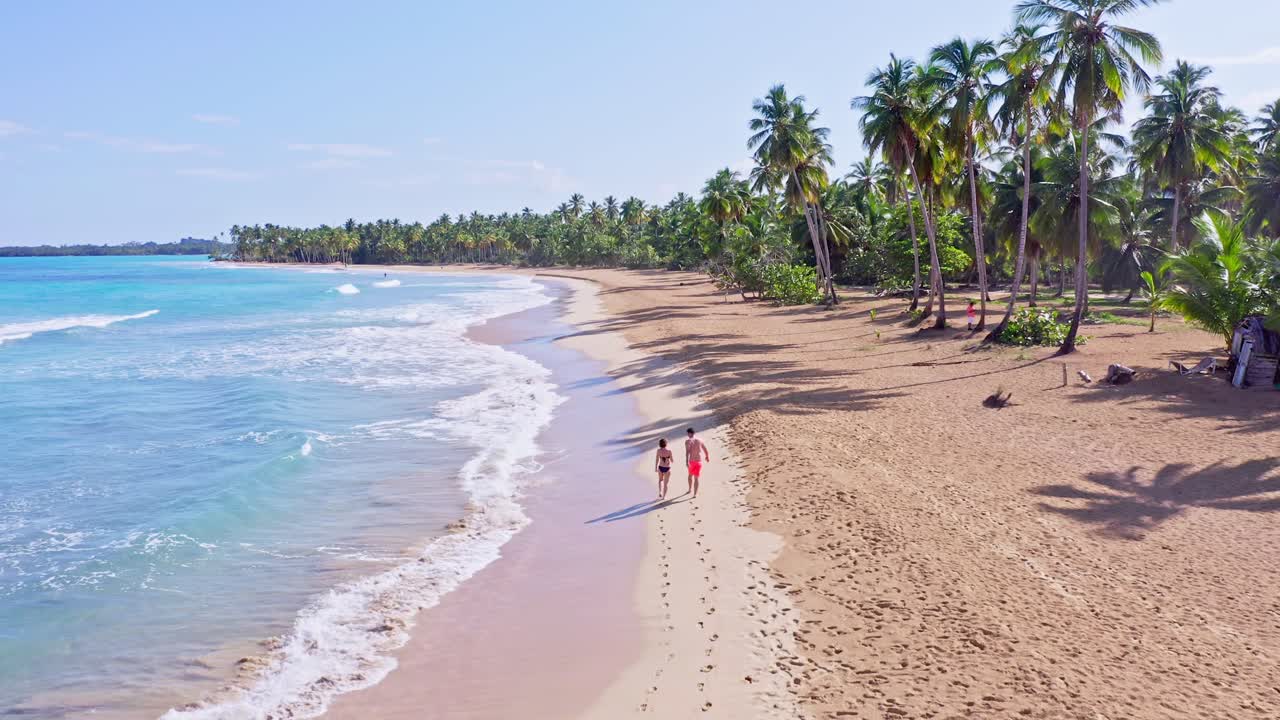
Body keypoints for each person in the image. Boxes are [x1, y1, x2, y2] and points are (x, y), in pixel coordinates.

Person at [684, 427, 710, 499]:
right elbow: (705, 449)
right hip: (699, 461)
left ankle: (690, 489)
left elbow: (687, 452)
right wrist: (707, 457)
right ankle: (695, 494)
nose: (688, 435)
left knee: (690, 476)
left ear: (689, 433)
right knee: (696, 478)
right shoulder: (700, 440)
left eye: (688, 433)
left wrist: (686, 461)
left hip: (691, 462)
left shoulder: (687, 441)